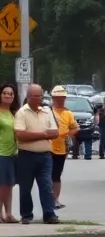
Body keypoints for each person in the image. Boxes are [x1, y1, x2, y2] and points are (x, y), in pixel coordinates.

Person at [12, 83, 61, 224]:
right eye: (34, 96)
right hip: (26, 155)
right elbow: (21, 135)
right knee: (25, 187)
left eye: (39, 96)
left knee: (46, 185)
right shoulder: (22, 113)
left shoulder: (47, 111)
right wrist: (44, 134)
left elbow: (55, 133)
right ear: (28, 97)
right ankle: (26, 215)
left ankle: (49, 214)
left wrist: (41, 134)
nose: (37, 99)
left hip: (45, 156)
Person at [48, 86, 79, 210]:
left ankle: (55, 199)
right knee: (48, 175)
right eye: (58, 98)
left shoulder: (68, 113)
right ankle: (48, 199)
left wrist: (67, 134)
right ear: (53, 98)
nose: (60, 100)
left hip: (62, 148)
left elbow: (76, 128)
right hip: (47, 148)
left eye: (62, 98)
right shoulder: (48, 112)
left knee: (56, 175)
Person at [0, 82, 19, 223]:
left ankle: (8, 213)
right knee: (3, 185)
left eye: (10, 94)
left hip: (12, 153)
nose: (8, 95)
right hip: (1, 153)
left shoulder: (13, 113)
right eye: (5, 93)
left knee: (9, 185)